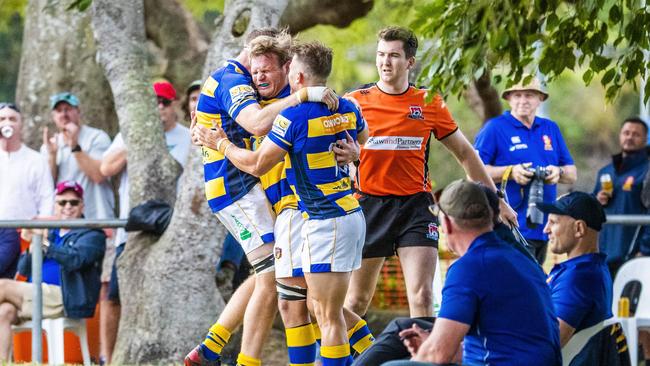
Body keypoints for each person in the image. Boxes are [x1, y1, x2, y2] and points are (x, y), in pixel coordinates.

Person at [208, 40, 369, 365]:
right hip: (341, 215)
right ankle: (372, 350)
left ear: (295, 75)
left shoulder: (293, 116)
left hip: (325, 220)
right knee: (299, 303)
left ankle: (377, 353)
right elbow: (365, 140)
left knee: (326, 314)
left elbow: (256, 164)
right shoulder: (347, 106)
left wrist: (221, 144)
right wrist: (355, 154)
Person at [186, 28, 338, 366]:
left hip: (255, 190)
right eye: (258, 68)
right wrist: (302, 96)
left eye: (267, 69)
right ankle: (242, 359)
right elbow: (256, 124)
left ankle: (212, 346)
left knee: (274, 277)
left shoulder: (257, 84)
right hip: (235, 189)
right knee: (274, 276)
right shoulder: (234, 80)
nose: (260, 76)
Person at [344, 26, 517, 321]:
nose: (386, 62)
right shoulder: (355, 102)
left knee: (423, 296)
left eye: (394, 56)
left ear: (410, 62)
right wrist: (349, 163)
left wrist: (497, 200)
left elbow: (465, 154)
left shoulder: (429, 103)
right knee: (356, 301)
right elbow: (331, 151)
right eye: (381, 55)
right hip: (369, 205)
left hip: (416, 207)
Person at [389, 180, 561, 365]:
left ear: (446, 223)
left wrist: (424, 353)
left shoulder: (469, 267)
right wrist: (432, 346)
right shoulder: (523, 260)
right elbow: (505, 342)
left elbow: (438, 354)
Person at [98, 80, 191, 364]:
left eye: (163, 102)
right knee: (114, 295)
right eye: (153, 103)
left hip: (173, 229)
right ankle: (107, 357)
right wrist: (138, 140)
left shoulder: (187, 137)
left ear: (174, 105)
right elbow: (105, 169)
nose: (158, 108)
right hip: (135, 230)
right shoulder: (129, 134)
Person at [474, 78, 577, 264]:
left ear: (540, 99)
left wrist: (558, 172)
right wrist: (511, 172)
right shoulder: (495, 128)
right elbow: (473, 172)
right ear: (509, 99)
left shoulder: (550, 128)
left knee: (535, 283)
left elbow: (572, 173)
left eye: (529, 95)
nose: (523, 100)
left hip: (546, 227)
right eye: (517, 95)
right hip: (510, 225)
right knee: (517, 285)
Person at [0, 181, 106, 361]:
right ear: (54, 206)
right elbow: (23, 269)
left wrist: (45, 244)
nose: (67, 207)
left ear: (82, 205)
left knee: (2, 285)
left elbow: (76, 260)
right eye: (62, 202)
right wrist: (33, 247)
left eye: (73, 202)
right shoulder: (49, 232)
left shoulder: (92, 234)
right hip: (35, 294)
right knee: (4, 311)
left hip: (65, 297)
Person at [537, 191, 613, 346]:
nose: (546, 230)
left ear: (579, 228)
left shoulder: (579, 278)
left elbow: (546, 344)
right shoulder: (588, 268)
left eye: (554, 222)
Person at [0, 102, 54, 279]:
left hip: (24, 235)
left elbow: (47, 200)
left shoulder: (35, 160)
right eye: (2, 119)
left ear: (20, 124)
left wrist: (40, 233)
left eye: (12, 119)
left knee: (16, 289)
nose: (7, 123)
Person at [41, 92, 115, 219]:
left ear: (78, 111)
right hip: (63, 221)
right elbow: (46, 188)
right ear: (53, 116)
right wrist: (52, 156)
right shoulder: (49, 146)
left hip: (96, 218)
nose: (64, 114)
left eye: (68, 109)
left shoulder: (96, 137)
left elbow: (98, 176)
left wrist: (74, 145)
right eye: (59, 111)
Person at [593, 117, 650, 276]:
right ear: (620, 136)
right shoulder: (606, 171)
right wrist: (597, 200)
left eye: (635, 134)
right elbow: (590, 210)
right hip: (604, 254)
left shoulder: (647, 171)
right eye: (626, 133)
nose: (629, 137)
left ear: (645, 139)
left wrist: (645, 250)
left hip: (633, 256)